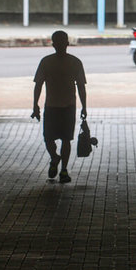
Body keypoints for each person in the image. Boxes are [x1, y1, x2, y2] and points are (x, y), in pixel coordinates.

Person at [32, 30, 87, 184]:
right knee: (62, 139)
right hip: (64, 106)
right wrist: (84, 106)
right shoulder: (74, 62)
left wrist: (35, 105)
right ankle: (59, 164)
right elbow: (81, 87)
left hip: (56, 106)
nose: (61, 45)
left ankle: (61, 166)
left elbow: (38, 86)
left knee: (53, 138)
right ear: (55, 44)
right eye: (59, 43)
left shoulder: (47, 61)